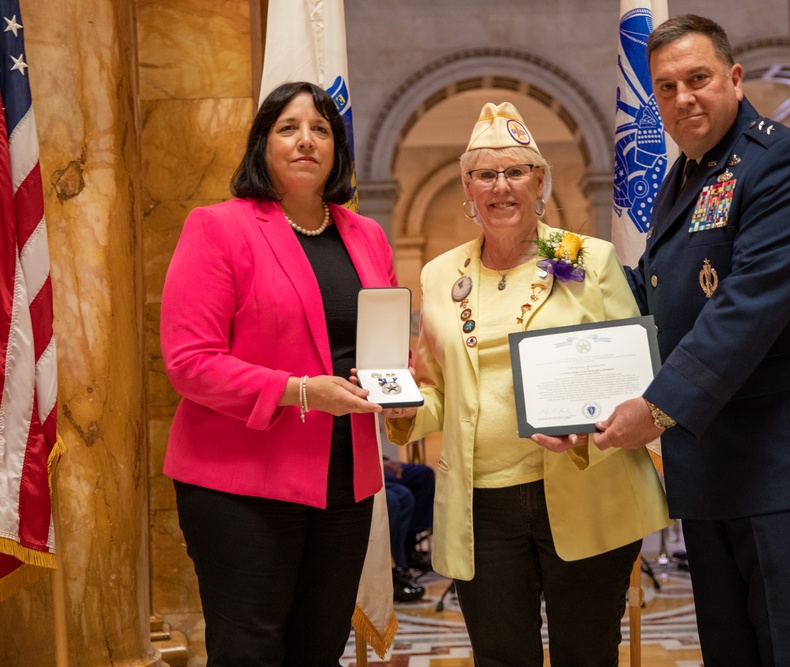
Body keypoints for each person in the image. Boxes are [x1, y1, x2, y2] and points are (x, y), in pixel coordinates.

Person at [589, 15, 790, 666]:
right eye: (665, 87)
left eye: (698, 78)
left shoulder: (782, 164)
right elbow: (657, 293)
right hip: (718, 477)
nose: (682, 97)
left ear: (735, 78)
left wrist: (656, 407)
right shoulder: (684, 177)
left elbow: (745, 309)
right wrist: (564, 300)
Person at [382, 102, 670, 667]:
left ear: (540, 182)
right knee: (499, 655)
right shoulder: (442, 275)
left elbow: (634, 376)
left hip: (586, 489)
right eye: (485, 174)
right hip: (481, 504)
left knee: (585, 654)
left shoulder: (587, 258)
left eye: (515, 172)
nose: (501, 187)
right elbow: (436, 390)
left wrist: (593, 430)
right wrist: (398, 401)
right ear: (467, 187)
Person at [160, 81, 396, 666]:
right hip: (241, 481)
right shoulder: (218, 227)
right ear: (262, 144)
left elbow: (381, 347)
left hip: (345, 480)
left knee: (319, 650)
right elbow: (190, 363)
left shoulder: (367, 236)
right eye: (288, 128)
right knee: (251, 650)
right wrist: (298, 392)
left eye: (321, 130)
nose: (306, 141)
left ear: (338, 149)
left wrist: (401, 386)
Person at [383, 457, 434, 602]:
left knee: (424, 474)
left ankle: (408, 549)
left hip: (373, 457)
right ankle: (395, 570)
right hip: (354, 463)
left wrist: (384, 460)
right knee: (397, 498)